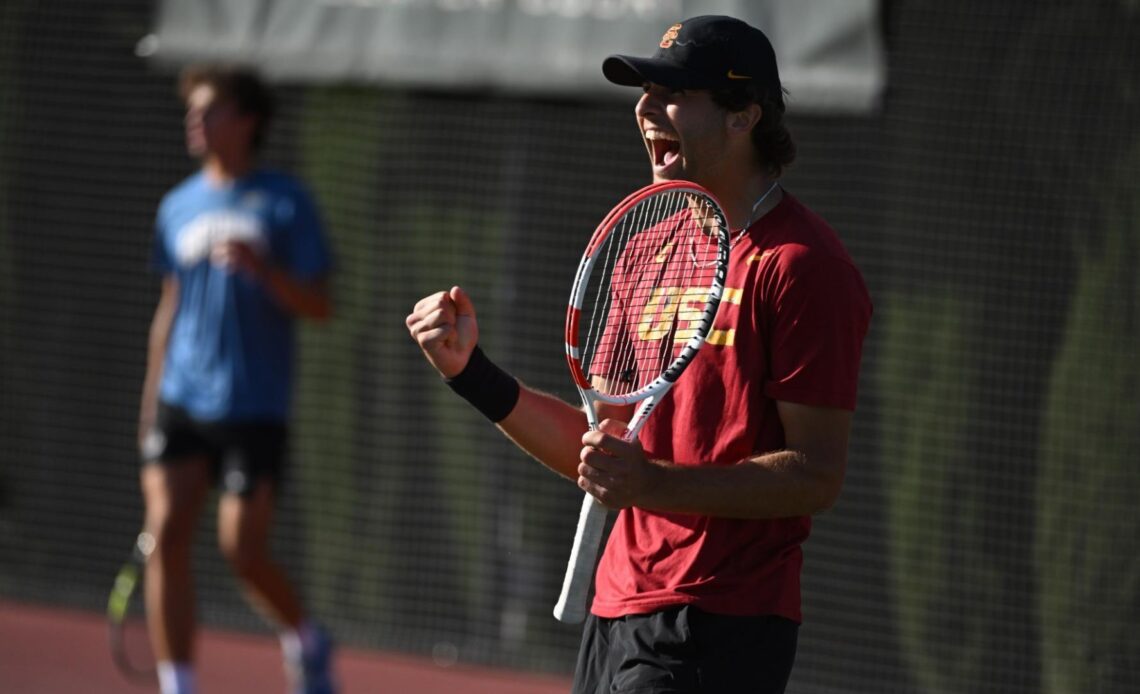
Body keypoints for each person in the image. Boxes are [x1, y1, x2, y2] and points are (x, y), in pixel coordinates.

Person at [406, 14, 872, 694]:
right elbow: (603, 453)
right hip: (616, 608)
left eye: (672, 92)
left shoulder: (801, 267)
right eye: (643, 91)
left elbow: (815, 474)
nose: (645, 107)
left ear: (743, 117)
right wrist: (469, 373)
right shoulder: (646, 247)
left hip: (722, 621)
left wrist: (652, 482)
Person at [138, 64, 336, 694]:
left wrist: (263, 271)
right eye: (192, 111)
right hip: (181, 400)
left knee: (241, 552)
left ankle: (305, 638)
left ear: (247, 122)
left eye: (210, 110)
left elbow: (321, 304)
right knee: (166, 532)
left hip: (253, 404)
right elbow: (169, 308)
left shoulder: (284, 201)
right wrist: (151, 403)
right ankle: (178, 683)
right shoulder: (177, 205)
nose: (195, 122)